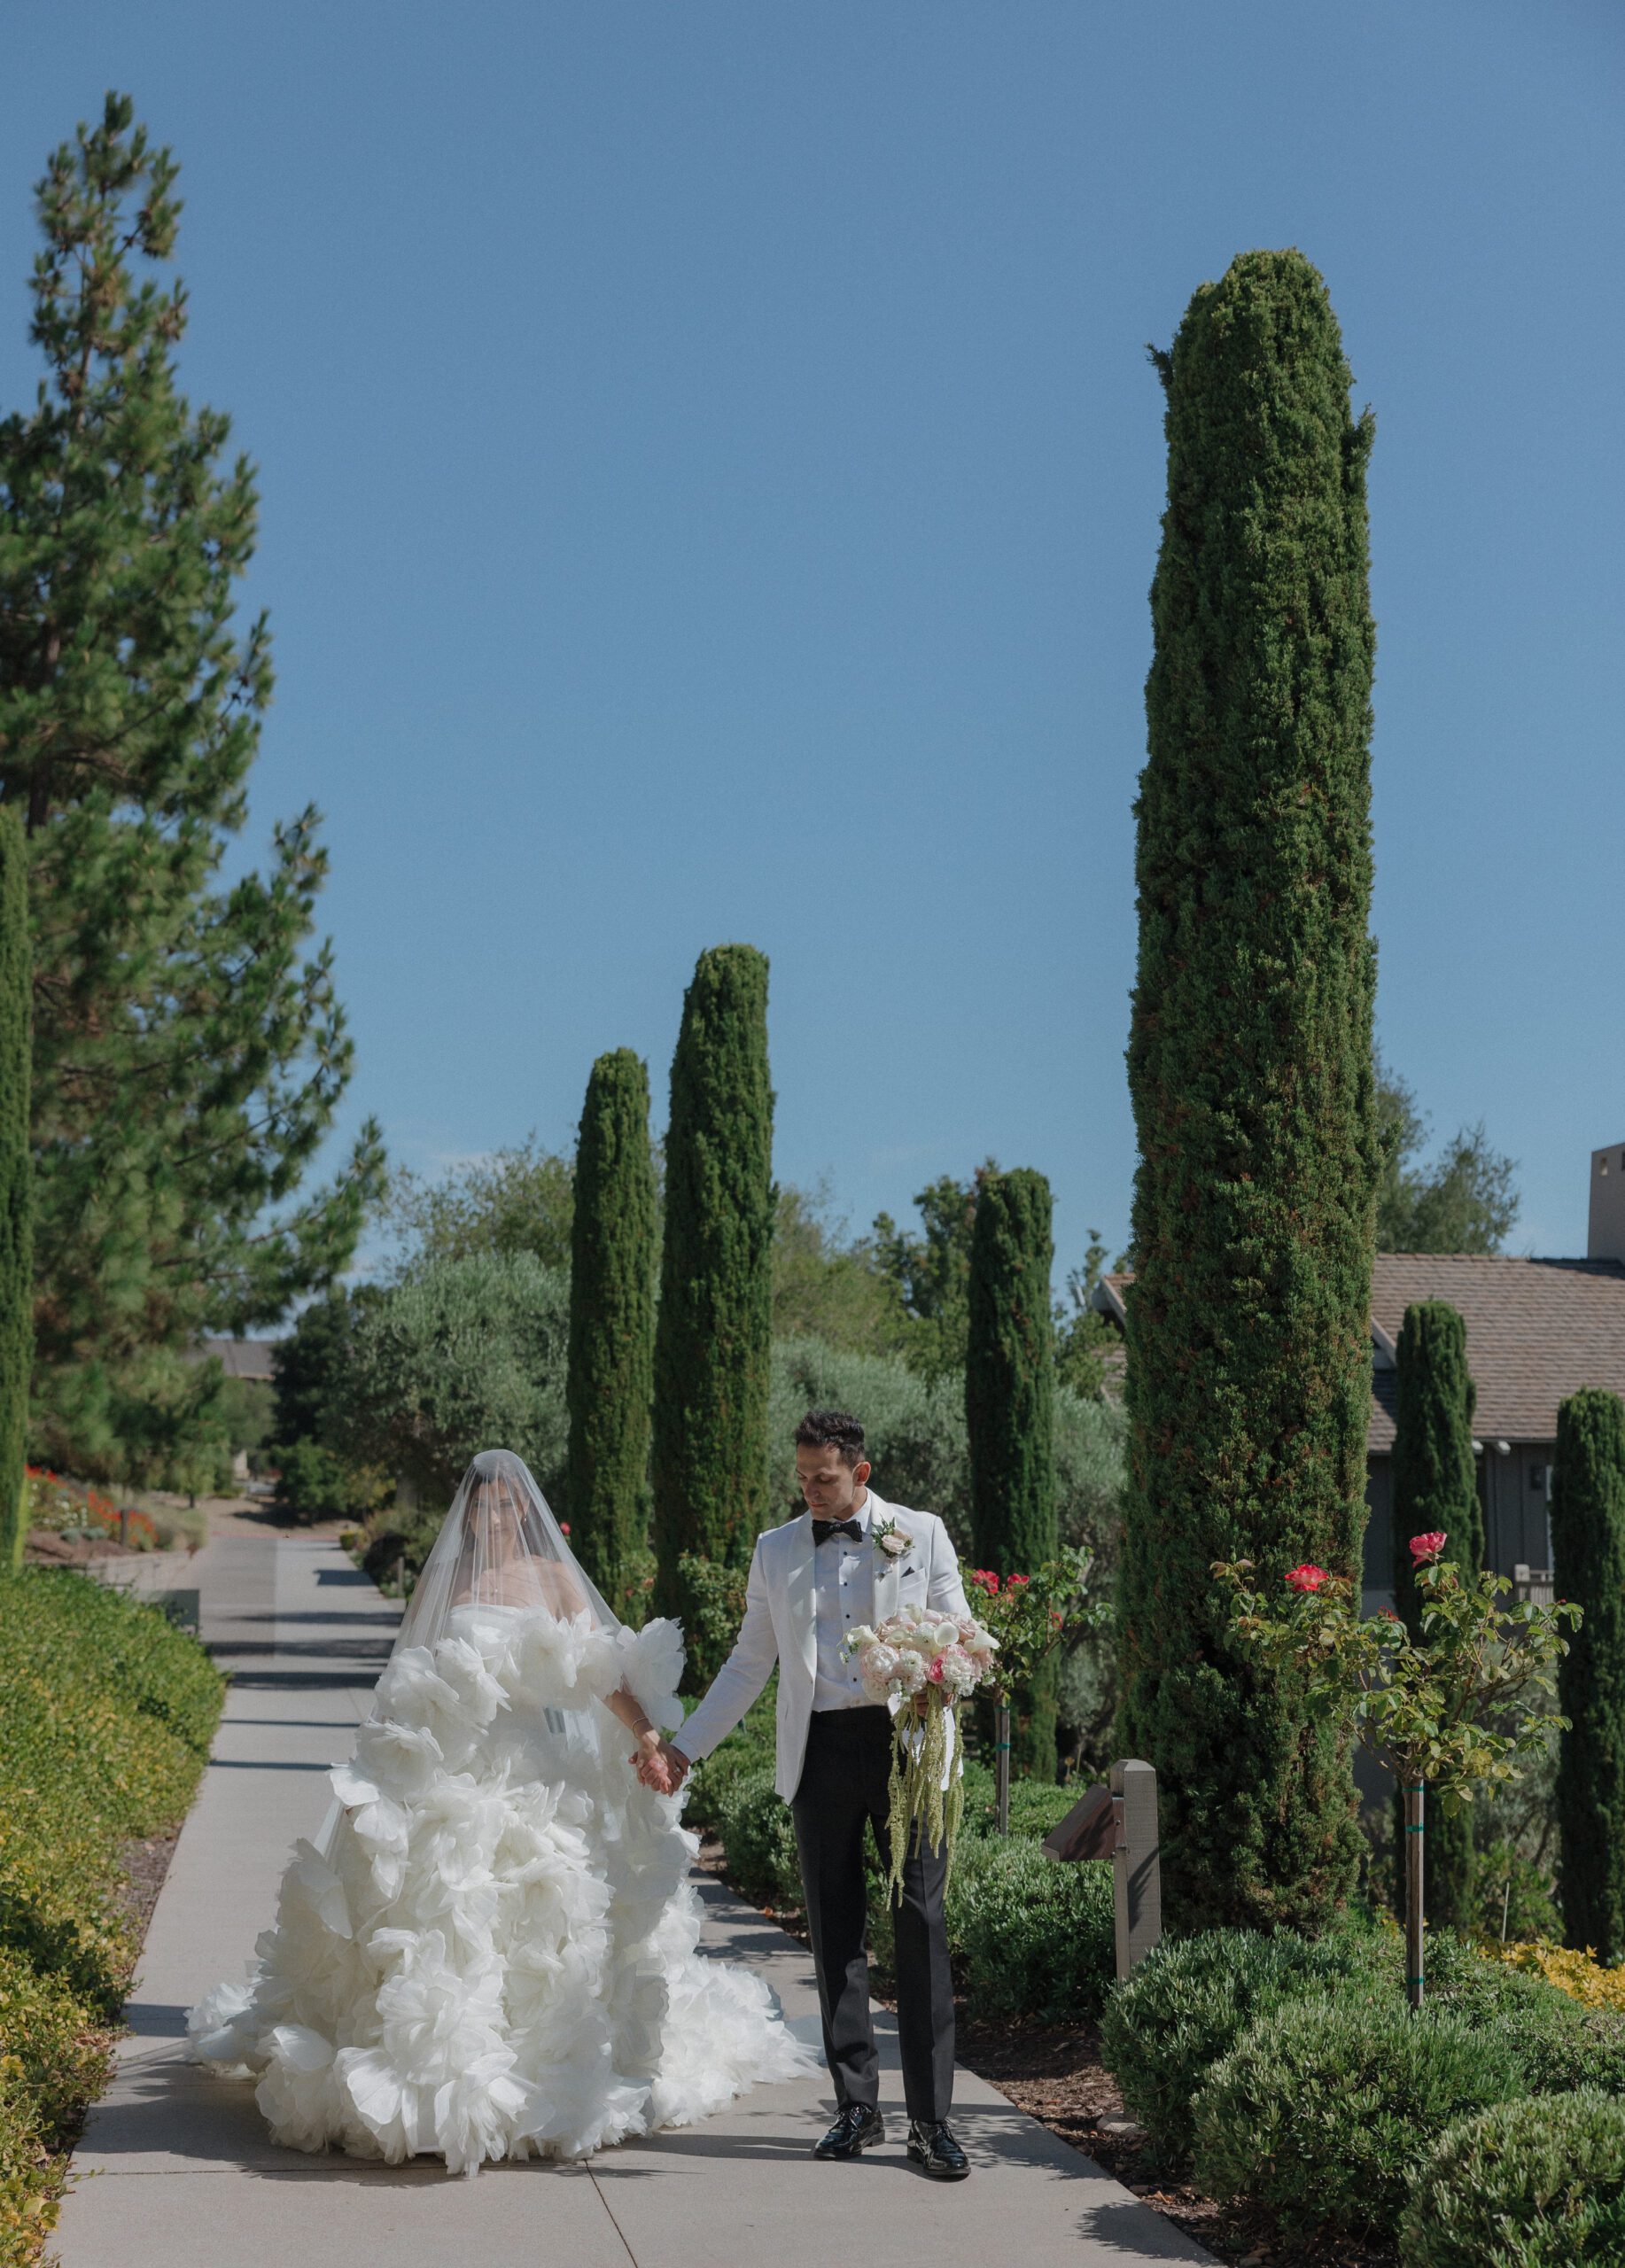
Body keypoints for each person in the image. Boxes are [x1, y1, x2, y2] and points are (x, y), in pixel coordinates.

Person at [188, 1449, 813, 2175]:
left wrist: (647, 1737)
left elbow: (599, 1670)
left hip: (533, 1773)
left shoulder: (551, 1578)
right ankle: (434, 2072)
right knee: (435, 1914)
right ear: (469, 1511)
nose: (491, 1516)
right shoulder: (449, 1576)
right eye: (480, 1505)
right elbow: (413, 1673)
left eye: (504, 1505)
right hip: (452, 1769)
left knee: (542, 1916)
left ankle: (536, 2070)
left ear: (523, 1510)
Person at [648, 1409, 973, 2180]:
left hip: (908, 1751)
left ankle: (931, 2124)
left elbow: (962, 1634)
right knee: (834, 1933)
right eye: (800, 1479)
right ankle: (856, 2107)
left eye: (822, 1479)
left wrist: (926, 1668)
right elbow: (747, 1664)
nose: (810, 1492)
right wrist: (686, 1747)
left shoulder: (921, 1533)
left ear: (860, 1473)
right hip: (819, 1751)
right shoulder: (777, 1550)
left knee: (921, 1926)